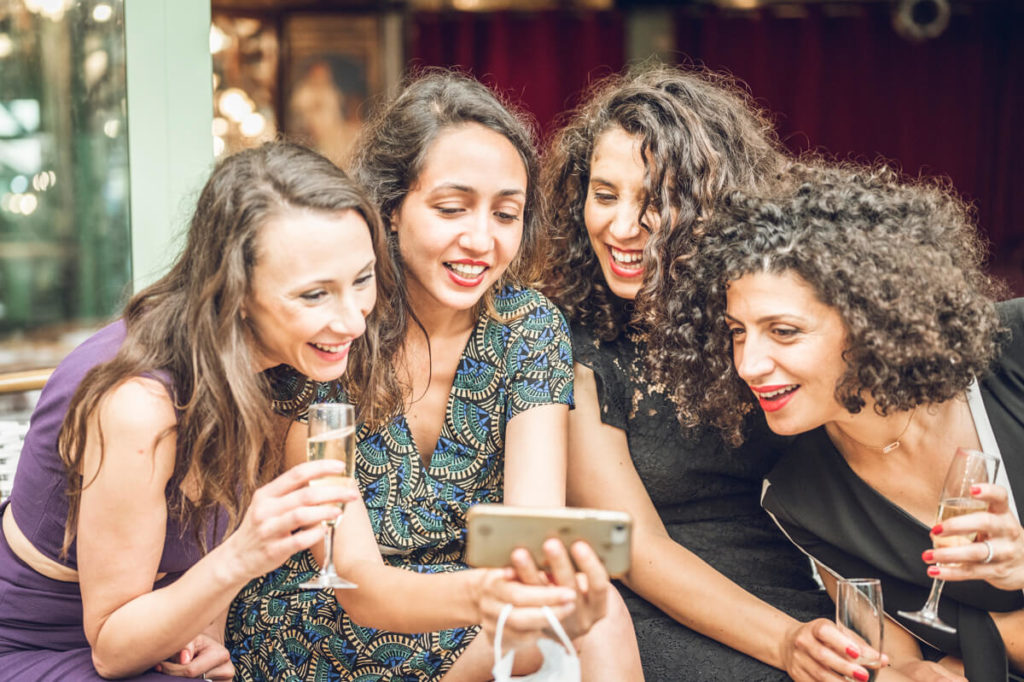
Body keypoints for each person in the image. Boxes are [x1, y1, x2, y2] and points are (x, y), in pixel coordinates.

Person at [0, 141, 603, 681]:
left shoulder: (281, 364)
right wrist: (245, 555)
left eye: (362, 280)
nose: (350, 320)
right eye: (314, 294)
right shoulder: (141, 405)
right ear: (234, 291)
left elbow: (202, 552)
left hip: (163, 635)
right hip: (49, 644)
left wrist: (205, 638)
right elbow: (109, 646)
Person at [228, 73, 641, 681]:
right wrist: (497, 605)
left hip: (472, 597)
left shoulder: (527, 327)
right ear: (391, 210)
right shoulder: (334, 330)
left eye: (506, 214)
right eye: (451, 208)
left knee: (596, 614)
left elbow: (527, 537)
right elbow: (358, 582)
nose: (480, 239)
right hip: (326, 608)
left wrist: (529, 598)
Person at [540, 65, 887, 681]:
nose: (621, 227)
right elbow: (636, 548)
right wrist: (787, 643)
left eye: (654, 201)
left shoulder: (756, 317)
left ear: (709, 204)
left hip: (796, 592)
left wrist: (879, 645)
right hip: (663, 611)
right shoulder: (572, 341)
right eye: (604, 194)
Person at [647, 161, 1023, 680]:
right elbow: (896, 663)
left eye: (782, 331)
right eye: (737, 331)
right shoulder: (801, 497)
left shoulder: (1015, 352)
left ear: (872, 318)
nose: (748, 364)